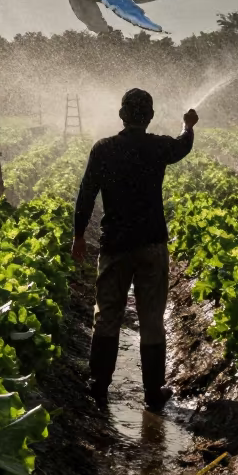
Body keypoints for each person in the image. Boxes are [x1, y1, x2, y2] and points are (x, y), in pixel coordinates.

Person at [72, 88, 199, 410]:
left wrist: (79, 236)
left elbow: (86, 193)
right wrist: (189, 125)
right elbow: (182, 146)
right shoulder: (158, 147)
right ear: (151, 117)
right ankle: (153, 392)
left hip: (115, 245)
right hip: (152, 245)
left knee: (107, 316)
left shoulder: (104, 150)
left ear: (121, 115)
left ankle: (99, 386)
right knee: (152, 318)